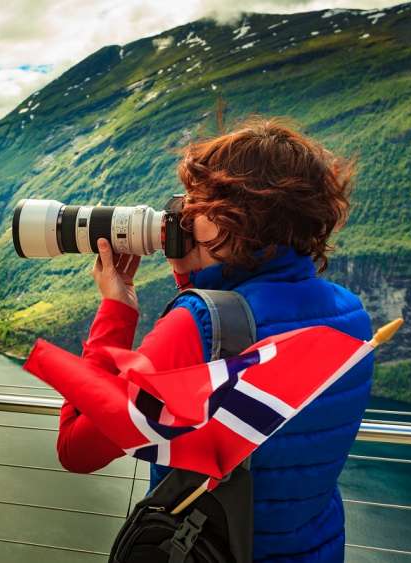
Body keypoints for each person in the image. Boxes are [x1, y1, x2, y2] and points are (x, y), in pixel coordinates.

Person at [56, 116, 374, 561]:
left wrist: (117, 309)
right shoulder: (349, 313)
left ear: (237, 217)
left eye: (200, 203)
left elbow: (77, 447)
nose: (183, 214)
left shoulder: (199, 325)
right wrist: (194, 277)